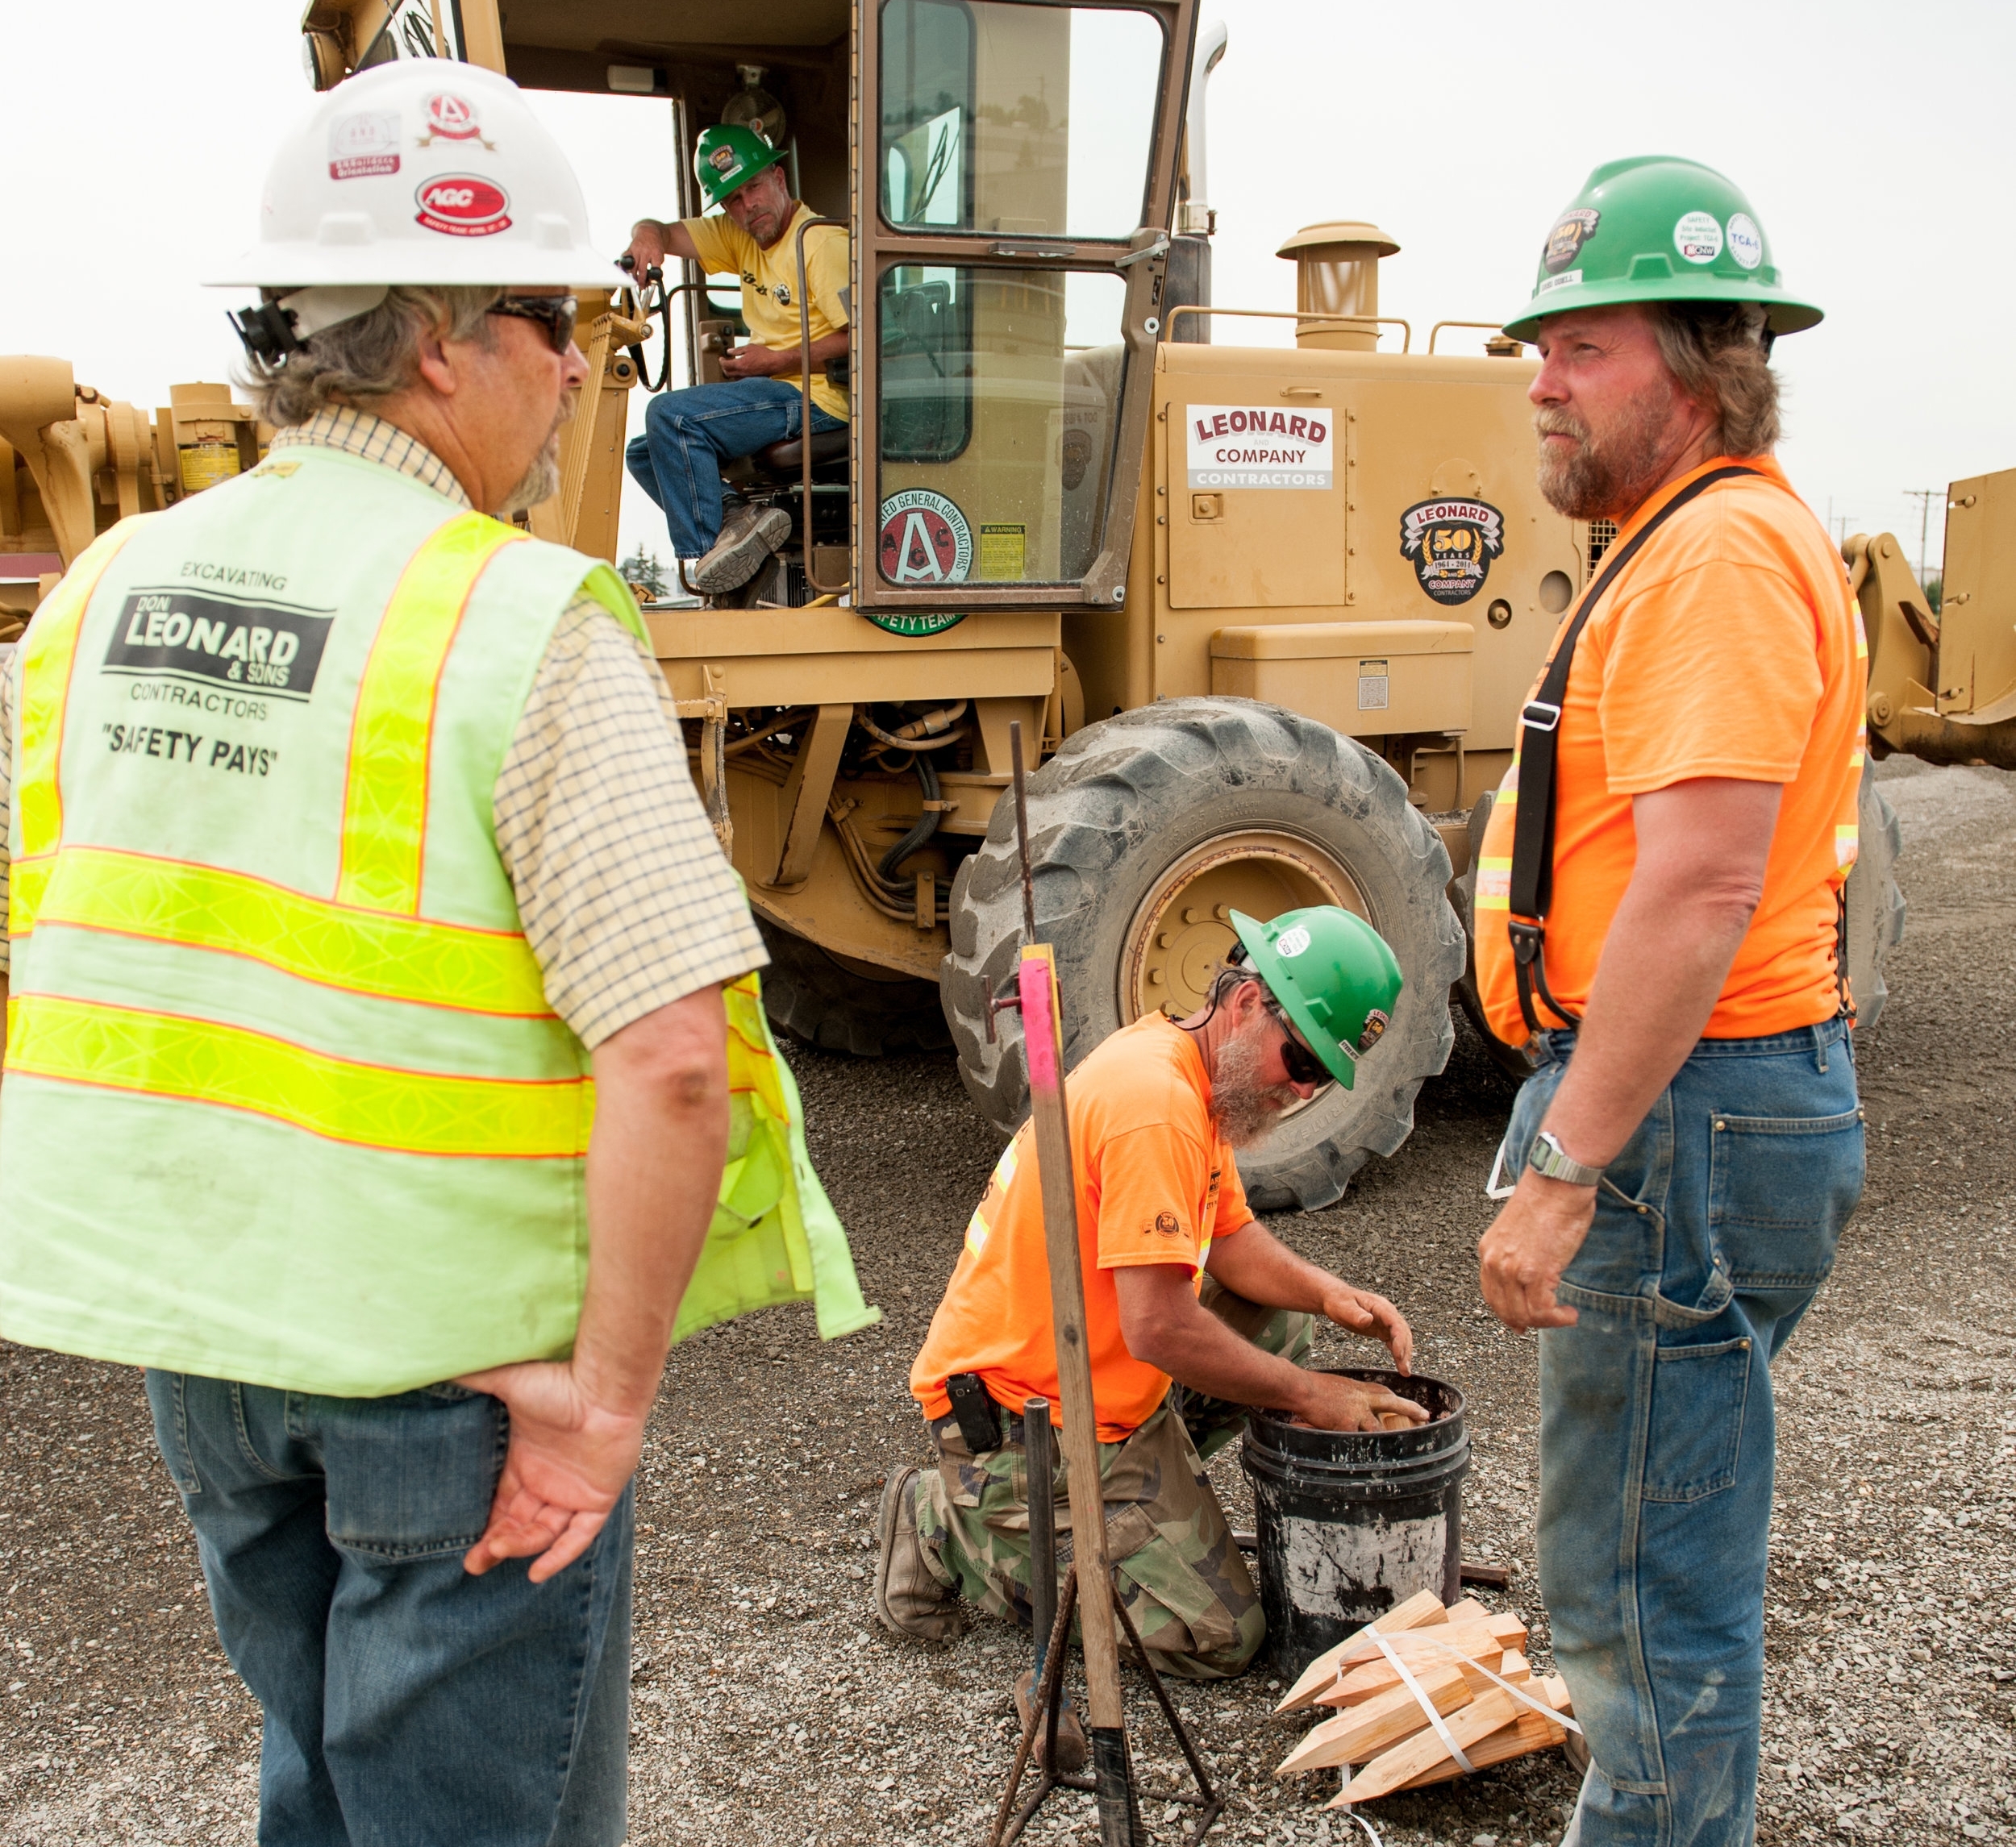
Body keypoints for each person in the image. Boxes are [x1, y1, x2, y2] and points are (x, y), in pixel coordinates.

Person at [0, 62, 870, 1847]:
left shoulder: (100, 594)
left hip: (213, 1351)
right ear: (439, 344)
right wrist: (602, 1410)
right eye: (550, 320)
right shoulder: (515, 613)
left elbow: (88, 930)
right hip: (453, 1386)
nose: (577, 366)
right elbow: (673, 1053)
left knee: (318, 1785)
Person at [1472, 156, 1865, 1847]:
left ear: (1701, 363)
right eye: (1537, 347)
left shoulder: (1708, 558)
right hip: (1697, 1101)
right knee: (1646, 1548)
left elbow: (1699, 884)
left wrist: (1564, 1163)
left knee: (1639, 1585)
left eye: (1584, 346)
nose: (1539, 383)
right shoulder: (1684, 541)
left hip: (1679, 1112)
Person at [877, 905, 1427, 1691]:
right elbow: (1159, 1324)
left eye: (1318, 1077)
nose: (1301, 1089)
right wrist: (1316, 1397)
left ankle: (1139, 1505)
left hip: (1097, 1385)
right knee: (1221, 1635)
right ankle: (945, 1526)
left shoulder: (1189, 1071)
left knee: (1279, 1328)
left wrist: (1331, 1294)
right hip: (1021, 1423)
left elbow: (1229, 1238)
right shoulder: (1154, 1104)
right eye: (1299, 1059)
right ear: (1246, 1003)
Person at [623, 124, 851, 594]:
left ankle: (714, 565)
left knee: (670, 416)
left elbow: (867, 337)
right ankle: (738, 520)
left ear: (780, 180)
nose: (748, 206)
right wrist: (645, 238)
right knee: (644, 453)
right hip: (781, 393)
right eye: (733, 200)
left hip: (821, 399)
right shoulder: (740, 235)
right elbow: (664, 232)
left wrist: (774, 360)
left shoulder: (820, 244)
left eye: (755, 187)